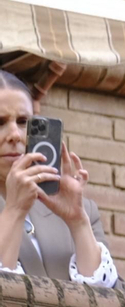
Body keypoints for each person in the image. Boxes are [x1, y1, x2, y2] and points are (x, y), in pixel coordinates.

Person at [0, 70, 118, 288]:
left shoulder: (85, 212)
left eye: (24, 121)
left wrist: (77, 222)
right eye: (0, 122)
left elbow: (114, 301)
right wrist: (15, 209)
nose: (15, 134)